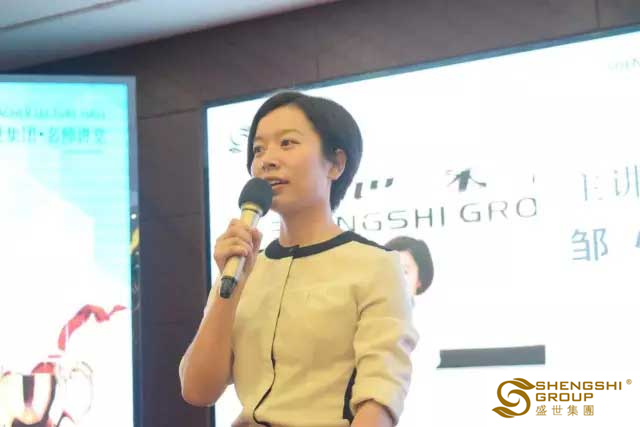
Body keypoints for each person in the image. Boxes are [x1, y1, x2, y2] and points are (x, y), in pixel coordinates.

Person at [179, 91, 418, 427]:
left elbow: (379, 401)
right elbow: (197, 390)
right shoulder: (245, 267)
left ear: (336, 164)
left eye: (287, 143)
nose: (267, 160)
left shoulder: (375, 266)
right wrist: (227, 290)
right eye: (258, 149)